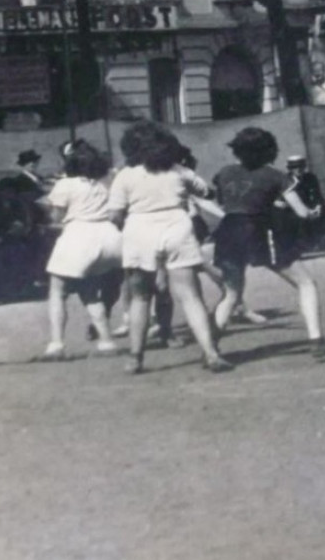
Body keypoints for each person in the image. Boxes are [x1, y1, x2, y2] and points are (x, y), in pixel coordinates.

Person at [210, 127, 325, 362]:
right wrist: (313, 212)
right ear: (269, 150)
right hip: (258, 232)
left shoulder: (224, 173)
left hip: (227, 232)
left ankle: (211, 348)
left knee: (232, 293)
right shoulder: (276, 176)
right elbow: (301, 212)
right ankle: (316, 341)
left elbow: (228, 202)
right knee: (305, 283)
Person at [107, 120, 233, 374]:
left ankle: (135, 358)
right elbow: (207, 192)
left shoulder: (125, 175)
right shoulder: (179, 171)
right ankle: (210, 353)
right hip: (177, 228)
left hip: (139, 231)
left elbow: (114, 215)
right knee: (190, 296)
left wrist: (126, 226)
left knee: (141, 297)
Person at [39, 140, 121, 360]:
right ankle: (106, 340)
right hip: (111, 238)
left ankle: (56, 344)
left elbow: (56, 217)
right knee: (89, 290)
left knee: (58, 291)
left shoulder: (66, 185)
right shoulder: (109, 181)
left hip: (78, 236)